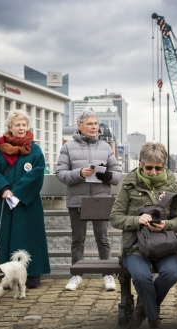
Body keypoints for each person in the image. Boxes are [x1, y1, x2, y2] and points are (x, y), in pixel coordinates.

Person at [109, 142, 177, 329]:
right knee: (141, 277)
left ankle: (143, 306)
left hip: (165, 245)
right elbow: (115, 217)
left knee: (172, 273)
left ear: (164, 166)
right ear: (141, 164)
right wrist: (136, 220)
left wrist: (165, 225)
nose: (152, 171)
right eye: (148, 167)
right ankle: (153, 318)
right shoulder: (129, 183)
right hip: (135, 247)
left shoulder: (172, 184)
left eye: (158, 168)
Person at [56, 110, 122, 292]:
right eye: (90, 124)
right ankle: (76, 275)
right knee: (78, 239)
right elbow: (60, 174)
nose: (94, 127)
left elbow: (117, 175)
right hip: (78, 200)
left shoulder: (106, 147)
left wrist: (107, 175)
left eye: (96, 123)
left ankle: (108, 275)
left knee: (103, 239)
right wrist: (79, 174)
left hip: (101, 200)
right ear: (79, 125)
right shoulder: (68, 147)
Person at [0, 110, 50, 289]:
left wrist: (17, 192)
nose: (21, 128)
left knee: (28, 237)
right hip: (2, 201)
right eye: (17, 125)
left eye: (24, 125)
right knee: (2, 236)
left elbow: (37, 173)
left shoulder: (34, 150)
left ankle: (32, 274)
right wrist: (3, 189)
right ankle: (1, 274)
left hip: (27, 203)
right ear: (10, 128)